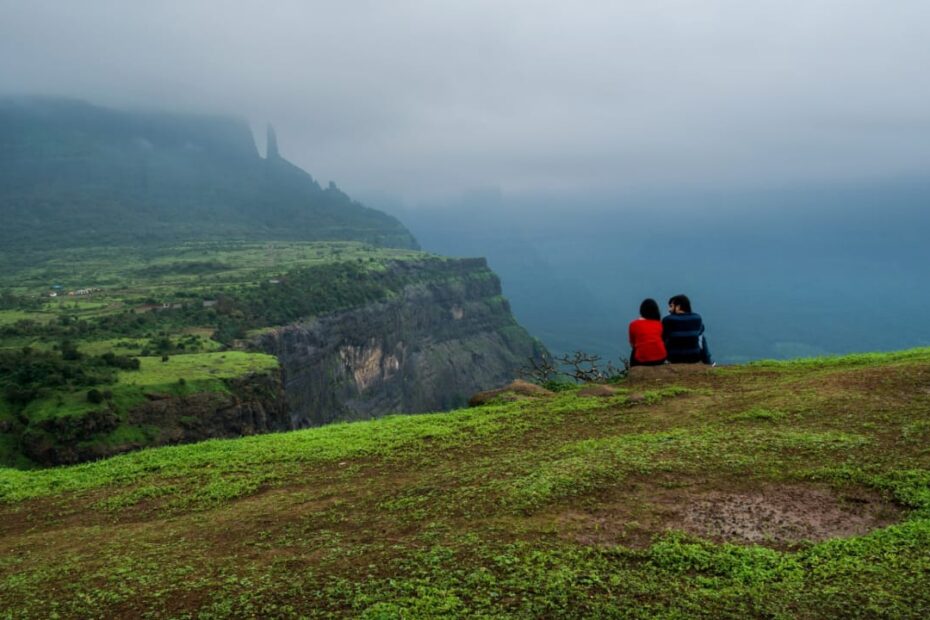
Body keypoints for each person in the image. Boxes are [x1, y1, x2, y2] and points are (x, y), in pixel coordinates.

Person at [662, 294, 713, 365]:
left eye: (671, 306)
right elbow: (701, 330)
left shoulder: (668, 320)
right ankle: (708, 362)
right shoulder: (697, 318)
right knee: (700, 336)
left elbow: (662, 337)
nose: (669, 310)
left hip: (674, 358)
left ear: (678, 307)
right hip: (694, 357)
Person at [628, 298, 667, 366]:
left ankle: (633, 370)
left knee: (635, 350)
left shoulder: (634, 324)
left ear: (641, 311)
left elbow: (633, 344)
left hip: (641, 360)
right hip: (661, 358)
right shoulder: (659, 324)